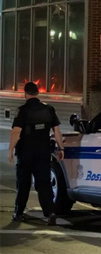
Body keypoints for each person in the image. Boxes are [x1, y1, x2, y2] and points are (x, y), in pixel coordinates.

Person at [8, 82, 65, 225]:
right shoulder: (49, 109)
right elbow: (57, 131)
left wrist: (10, 149)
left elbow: (16, 132)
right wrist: (61, 148)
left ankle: (18, 212)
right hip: (43, 153)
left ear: (25, 94)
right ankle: (50, 212)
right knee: (44, 183)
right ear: (37, 93)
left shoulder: (23, 110)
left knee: (23, 183)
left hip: (26, 153)